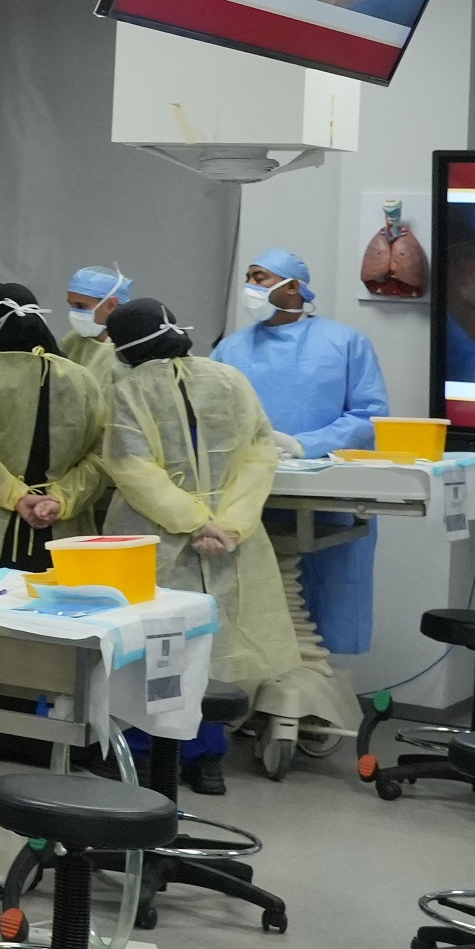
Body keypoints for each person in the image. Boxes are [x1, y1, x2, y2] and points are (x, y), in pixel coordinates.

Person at [95, 297, 292, 790]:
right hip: (230, 541)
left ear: (121, 350)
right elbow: (259, 454)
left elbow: (132, 467)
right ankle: (207, 757)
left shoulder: (128, 391)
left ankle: (146, 752)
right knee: (212, 646)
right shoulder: (230, 379)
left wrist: (192, 522)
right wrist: (229, 523)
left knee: (156, 649)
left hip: (157, 539)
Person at [214, 248, 391, 670]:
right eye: (250, 277)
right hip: (249, 490)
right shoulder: (231, 349)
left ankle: (311, 687)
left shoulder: (345, 342)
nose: (251, 287)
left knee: (322, 592)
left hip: (324, 491)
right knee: (247, 597)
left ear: (293, 287)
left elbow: (370, 415)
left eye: (260, 277)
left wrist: (302, 444)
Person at [0, 286, 113, 568]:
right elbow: (102, 452)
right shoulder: (82, 379)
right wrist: (61, 498)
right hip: (62, 532)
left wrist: (17, 496)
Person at [62, 265, 132, 374]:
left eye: (80, 306)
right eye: (71, 305)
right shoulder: (74, 340)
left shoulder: (127, 352)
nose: (74, 313)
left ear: (111, 305)